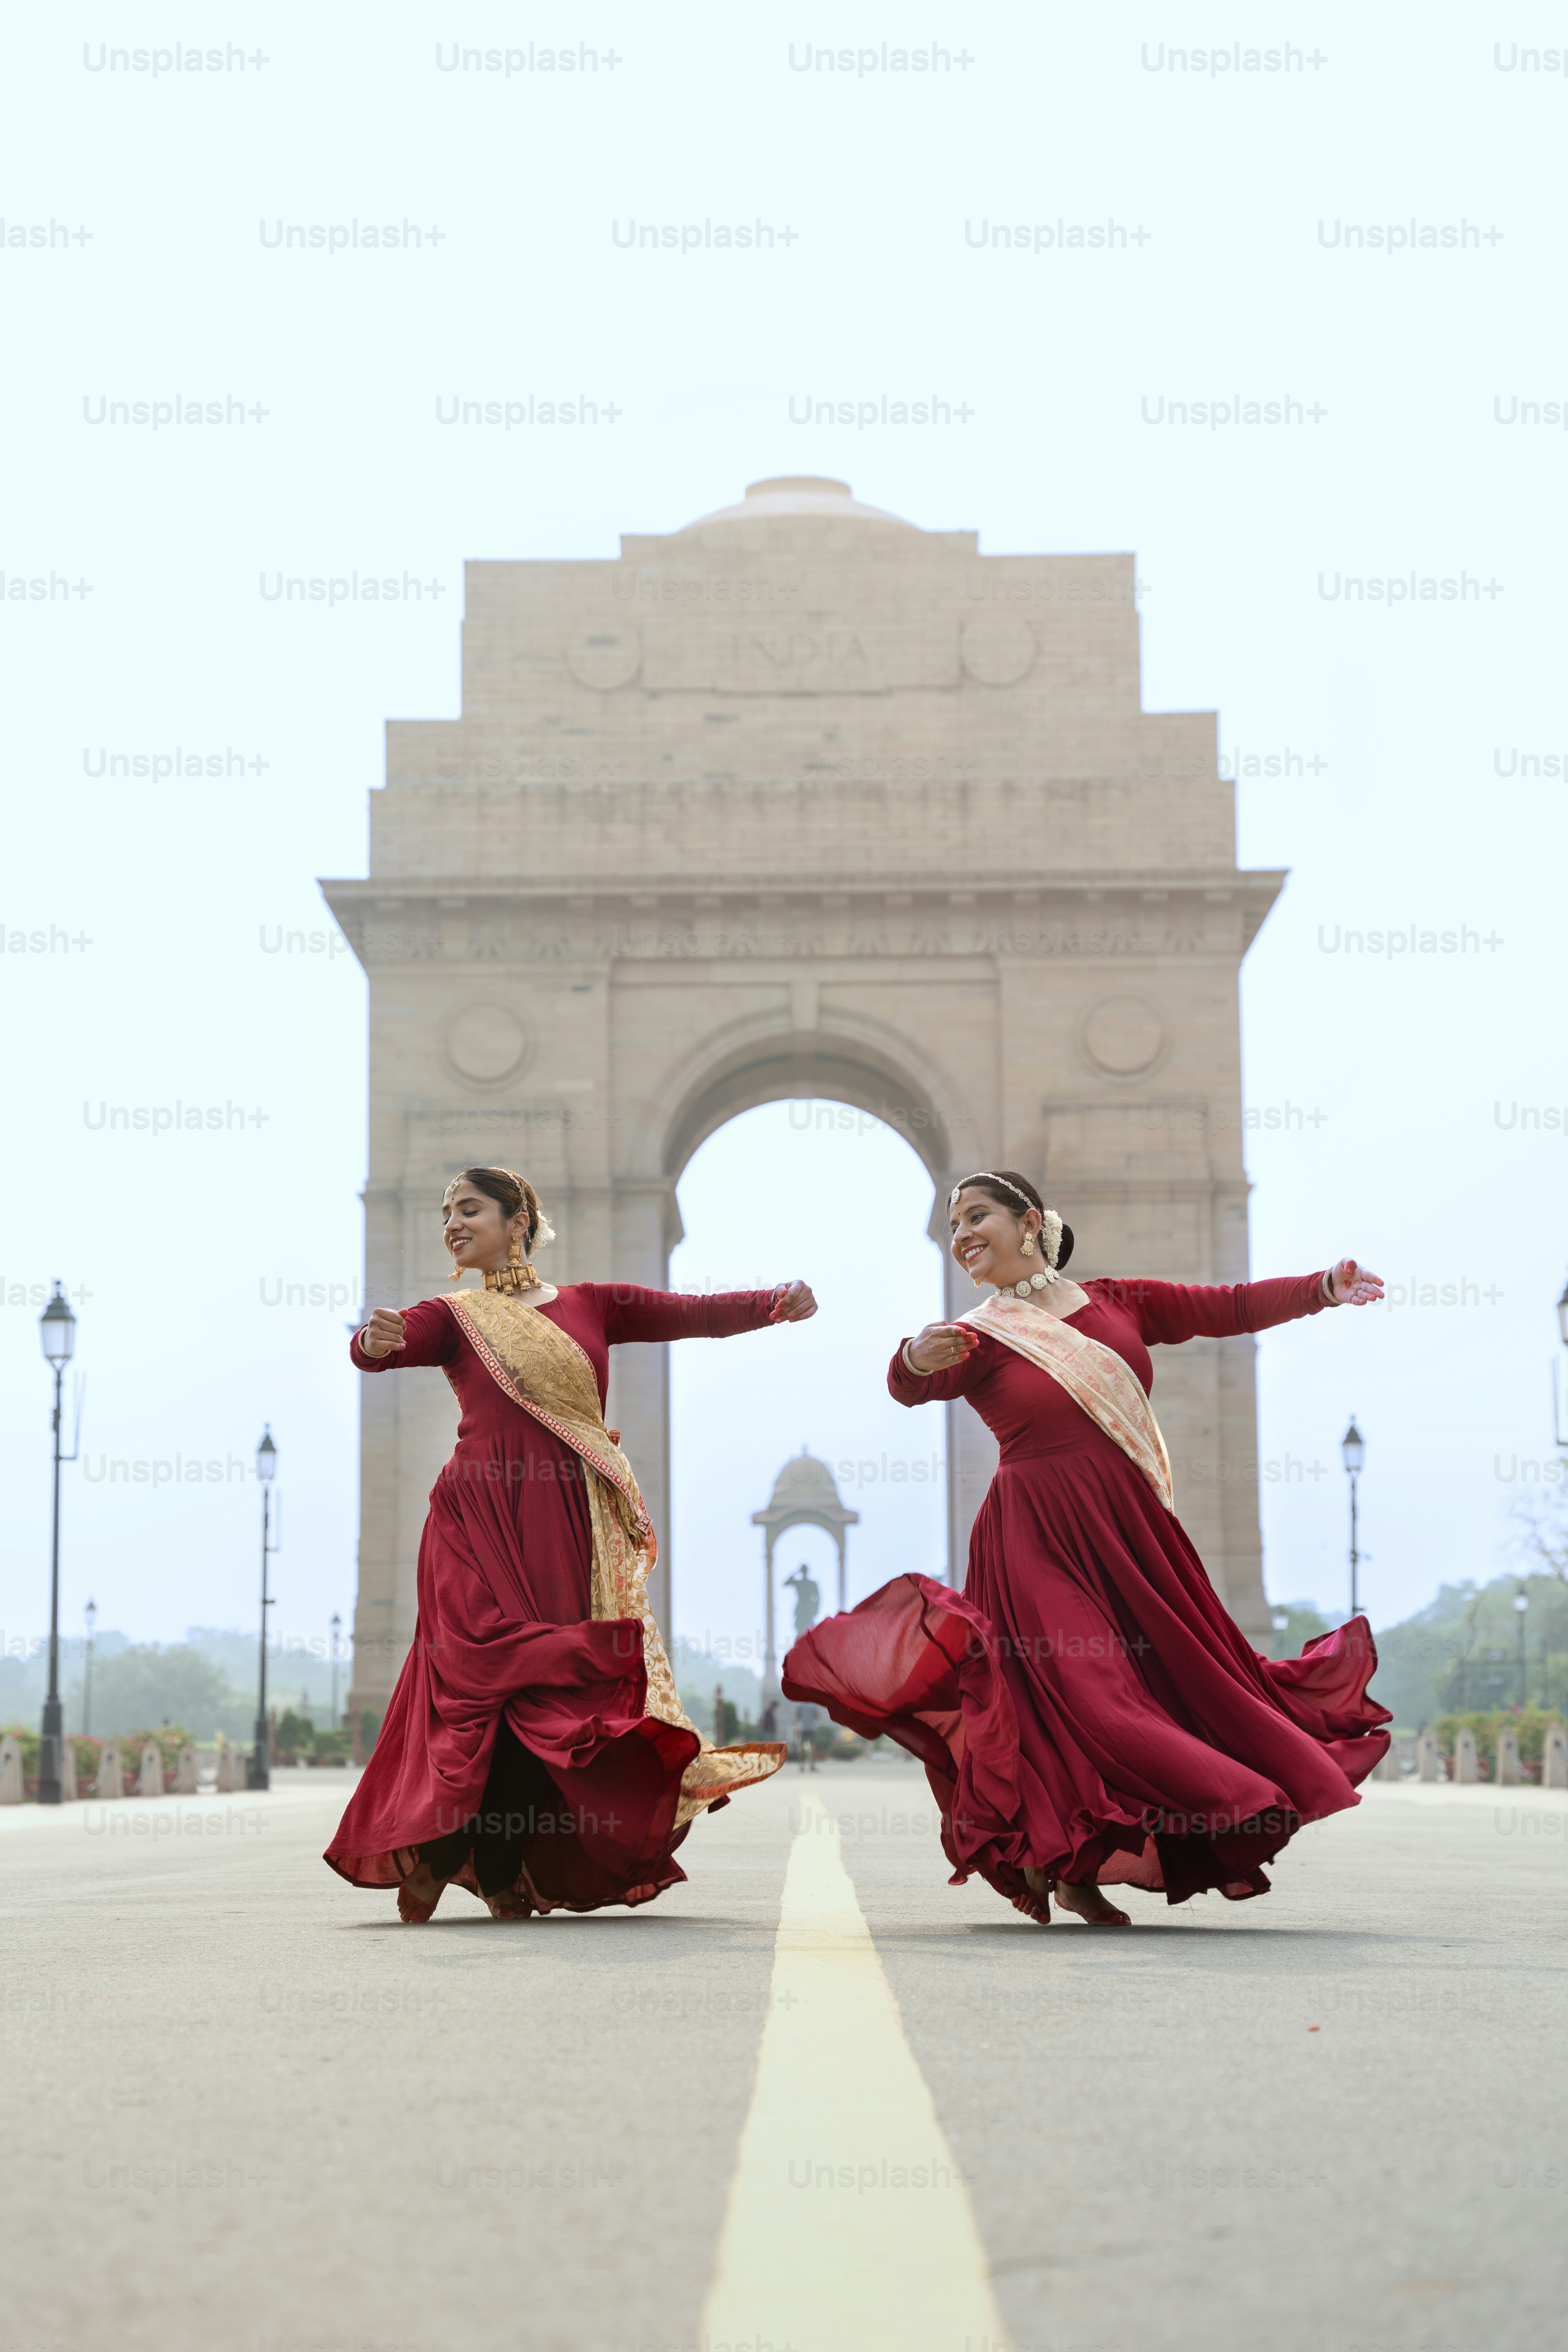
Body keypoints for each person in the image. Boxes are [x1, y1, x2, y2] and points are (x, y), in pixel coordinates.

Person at [782, 1170, 1390, 1927]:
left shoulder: (1117, 1303)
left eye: (977, 1216)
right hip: (1032, 1537)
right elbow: (906, 1386)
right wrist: (912, 1359)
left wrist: (1321, 1288)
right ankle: (1102, 1837)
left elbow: (1224, 1309)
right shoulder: (974, 1336)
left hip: (1129, 1535)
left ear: (1028, 1221)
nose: (962, 1235)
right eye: (951, 1227)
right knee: (1089, 1692)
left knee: (1171, 1683)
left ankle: (1073, 1867)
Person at [325, 1166, 816, 1921]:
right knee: (479, 1681)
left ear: (518, 1219)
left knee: (548, 1695)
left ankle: (486, 1861)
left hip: (565, 1523)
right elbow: (386, 1347)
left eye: (471, 1209)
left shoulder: (593, 1304)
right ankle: (458, 1853)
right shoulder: (453, 1316)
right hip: (475, 1522)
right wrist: (371, 1340)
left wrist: (771, 1305)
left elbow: (688, 1313)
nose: (453, 1223)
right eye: (446, 1213)